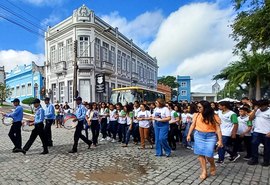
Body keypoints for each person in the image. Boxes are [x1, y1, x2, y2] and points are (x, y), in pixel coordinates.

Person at [187, 101, 223, 180]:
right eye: (197, 107)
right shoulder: (196, 115)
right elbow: (193, 125)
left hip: (211, 137)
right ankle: (204, 171)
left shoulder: (214, 116)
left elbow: (218, 129)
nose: (198, 109)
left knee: (209, 155)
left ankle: (212, 164)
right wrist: (189, 134)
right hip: (198, 135)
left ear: (205, 108)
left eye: (200, 107)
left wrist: (220, 140)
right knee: (200, 154)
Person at [248, 99, 270, 166]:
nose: (260, 108)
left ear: (266, 105)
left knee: (267, 147)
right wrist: (254, 110)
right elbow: (250, 118)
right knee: (254, 145)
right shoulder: (257, 110)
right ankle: (254, 159)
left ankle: (266, 161)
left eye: (262, 106)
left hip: (267, 132)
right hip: (257, 132)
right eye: (259, 106)